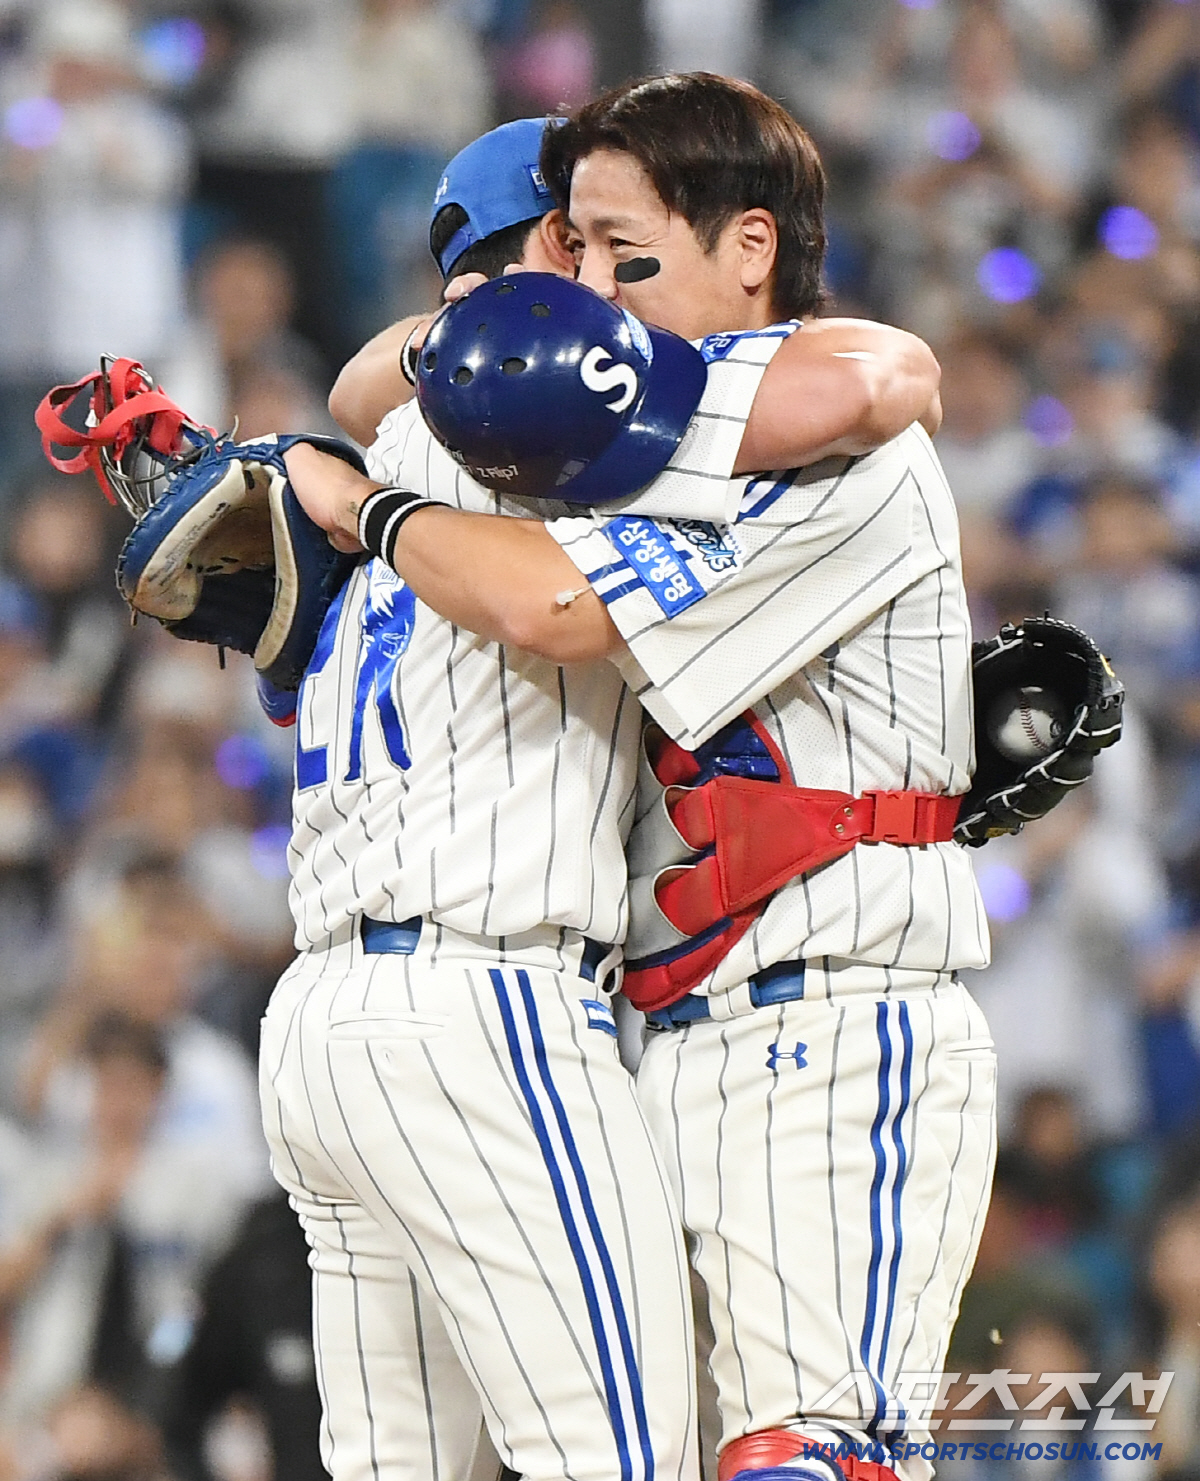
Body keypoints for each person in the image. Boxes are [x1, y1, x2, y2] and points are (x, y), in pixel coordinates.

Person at [284, 75, 994, 1481]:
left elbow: (878, 377)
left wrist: (366, 507)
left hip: (834, 1021)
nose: (597, 289)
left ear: (749, 246)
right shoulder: (597, 438)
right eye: (575, 253)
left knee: (804, 1458)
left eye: (627, 254)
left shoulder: (819, 426)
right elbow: (372, 378)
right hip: (659, 1039)